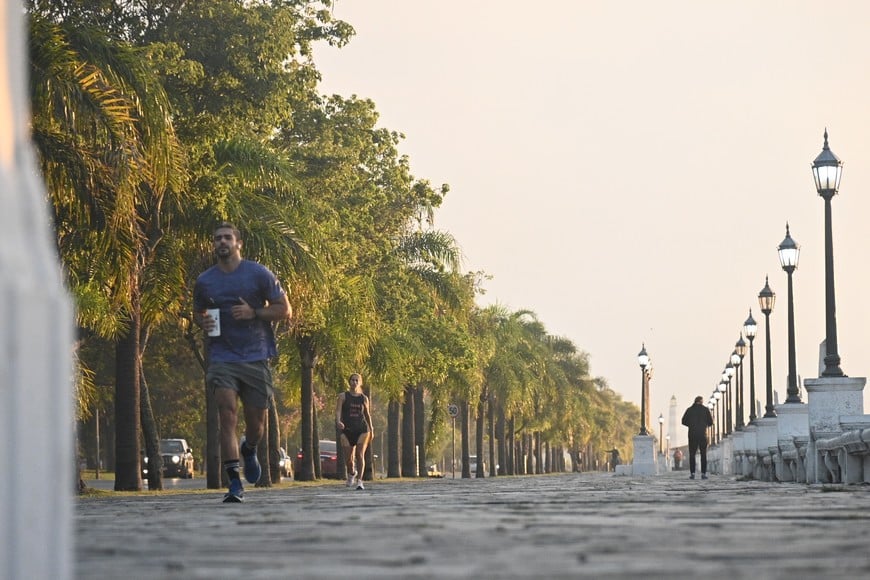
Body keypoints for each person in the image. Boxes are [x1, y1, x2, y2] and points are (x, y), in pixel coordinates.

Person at [193, 222, 291, 502]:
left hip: (255, 355)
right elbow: (198, 312)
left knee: (256, 424)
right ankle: (234, 482)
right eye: (217, 238)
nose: (221, 242)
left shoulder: (258, 274)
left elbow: (284, 310)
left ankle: (249, 448)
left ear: (238, 244)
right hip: (221, 356)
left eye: (227, 238)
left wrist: (254, 313)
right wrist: (203, 321)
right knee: (227, 415)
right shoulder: (205, 280)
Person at [335, 373, 373, 490]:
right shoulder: (343, 396)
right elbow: (338, 411)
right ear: (349, 382)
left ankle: (360, 481)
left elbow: (367, 414)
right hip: (347, 430)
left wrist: (371, 429)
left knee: (359, 454)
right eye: (352, 380)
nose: (354, 382)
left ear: (360, 383)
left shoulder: (363, 398)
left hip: (362, 429)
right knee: (348, 459)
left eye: (357, 380)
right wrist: (338, 421)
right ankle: (352, 473)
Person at [681, 395, 714, 480]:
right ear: (701, 401)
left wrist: (691, 425)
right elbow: (710, 422)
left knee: (692, 454)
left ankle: (692, 473)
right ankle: (703, 473)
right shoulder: (706, 410)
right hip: (703, 434)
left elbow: (683, 421)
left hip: (692, 434)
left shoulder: (689, 410)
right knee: (703, 454)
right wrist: (704, 425)